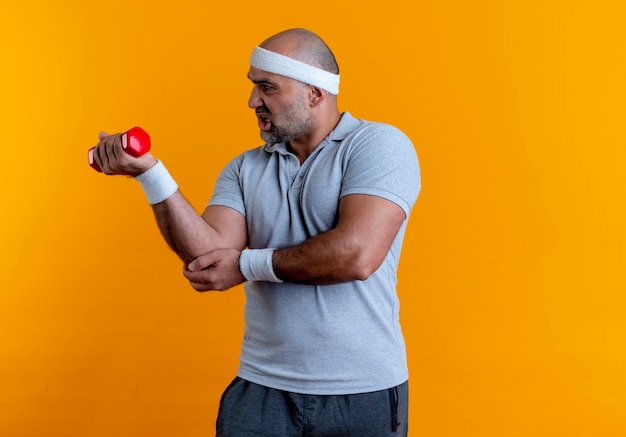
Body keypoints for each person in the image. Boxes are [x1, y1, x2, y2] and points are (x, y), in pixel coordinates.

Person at [91, 28, 420, 436]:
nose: (252, 102)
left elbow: (357, 255)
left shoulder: (378, 145)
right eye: (253, 86)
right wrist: (152, 176)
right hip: (262, 388)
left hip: (362, 391)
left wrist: (247, 264)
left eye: (267, 88)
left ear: (316, 93)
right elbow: (209, 258)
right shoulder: (245, 168)